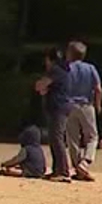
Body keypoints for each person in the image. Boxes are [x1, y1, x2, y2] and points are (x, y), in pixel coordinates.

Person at [61, 41, 101, 181]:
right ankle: (85, 162)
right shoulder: (90, 68)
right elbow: (98, 89)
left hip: (69, 105)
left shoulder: (66, 68)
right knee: (92, 137)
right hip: (86, 105)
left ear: (70, 53)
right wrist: (98, 104)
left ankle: (78, 167)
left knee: (72, 138)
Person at [34, 49, 71, 180]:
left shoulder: (55, 70)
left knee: (57, 138)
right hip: (58, 107)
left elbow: (40, 86)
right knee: (54, 139)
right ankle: (57, 170)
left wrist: (41, 86)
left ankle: (63, 171)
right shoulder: (62, 70)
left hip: (58, 108)